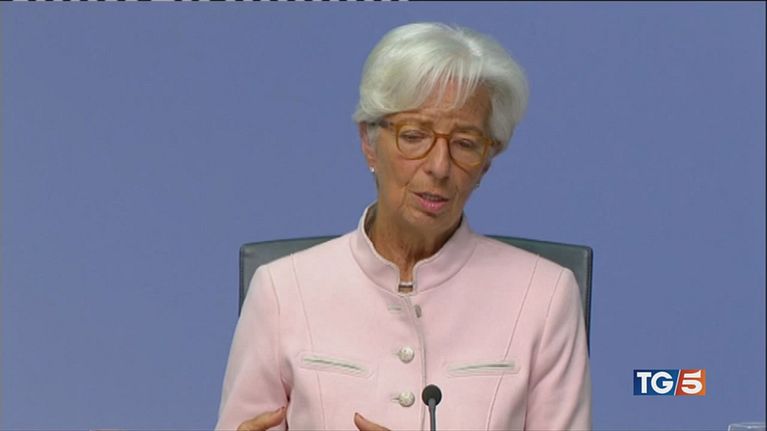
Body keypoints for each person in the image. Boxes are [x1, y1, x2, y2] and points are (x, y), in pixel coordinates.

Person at [215, 22, 591, 431]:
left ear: (487, 162)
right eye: (414, 136)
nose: (439, 167)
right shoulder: (282, 290)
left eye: (465, 143)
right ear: (368, 142)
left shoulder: (544, 296)